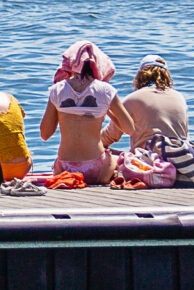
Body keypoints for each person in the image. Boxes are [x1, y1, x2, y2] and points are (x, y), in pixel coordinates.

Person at [39, 39, 135, 184]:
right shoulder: (105, 91)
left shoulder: (57, 90)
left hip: (65, 168)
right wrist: (107, 112)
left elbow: (45, 134)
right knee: (117, 157)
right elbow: (130, 129)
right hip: (96, 168)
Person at [120, 54, 190, 149]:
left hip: (147, 157)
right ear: (166, 76)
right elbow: (185, 136)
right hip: (179, 156)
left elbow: (110, 135)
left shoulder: (133, 98)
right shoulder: (179, 97)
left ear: (140, 75)